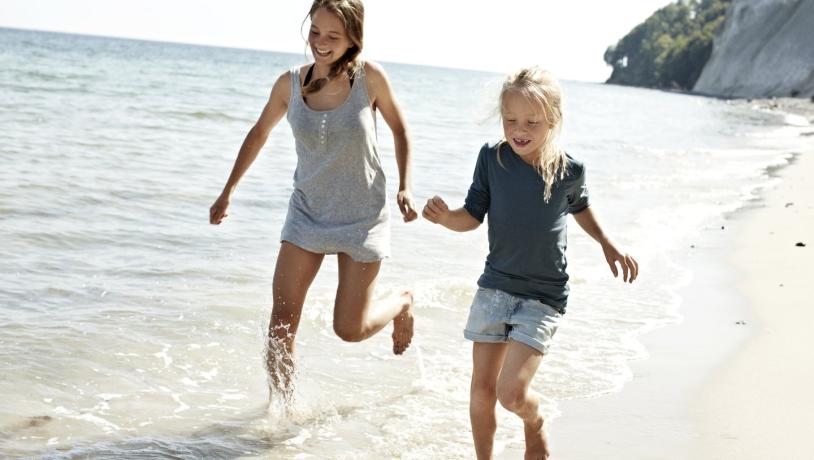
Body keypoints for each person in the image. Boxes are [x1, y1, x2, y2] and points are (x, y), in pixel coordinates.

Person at [422, 67, 638, 459]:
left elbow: (582, 208)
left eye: (531, 122)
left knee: (511, 394)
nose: (519, 130)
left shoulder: (569, 171)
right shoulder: (491, 159)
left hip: (543, 296)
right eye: (510, 120)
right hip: (495, 288)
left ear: (552, 121)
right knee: (481, 391)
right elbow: (472, 216)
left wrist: (608, 244)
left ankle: (535, 422)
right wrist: (444, 217)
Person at [209, 0, 418, 405]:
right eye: (315, 32)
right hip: (307, 213)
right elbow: (258, 134)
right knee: (281, 324)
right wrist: (228, 190)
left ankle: (403, 303)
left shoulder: (369, 78)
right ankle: (283, 415)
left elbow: (401, 130)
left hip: (362, 217)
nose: (320, 43)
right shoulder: (288, 83)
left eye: (333, 36)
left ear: (353, 38)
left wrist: (406, 187)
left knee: (349, 329)